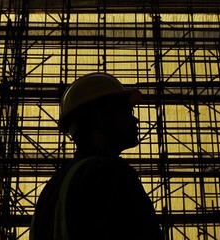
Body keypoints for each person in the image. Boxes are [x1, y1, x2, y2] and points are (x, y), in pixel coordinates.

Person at [30, 72, 163, 240]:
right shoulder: (110, 174)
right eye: (126, 111)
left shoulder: (52, 189)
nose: (135, 120)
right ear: (100, 115)